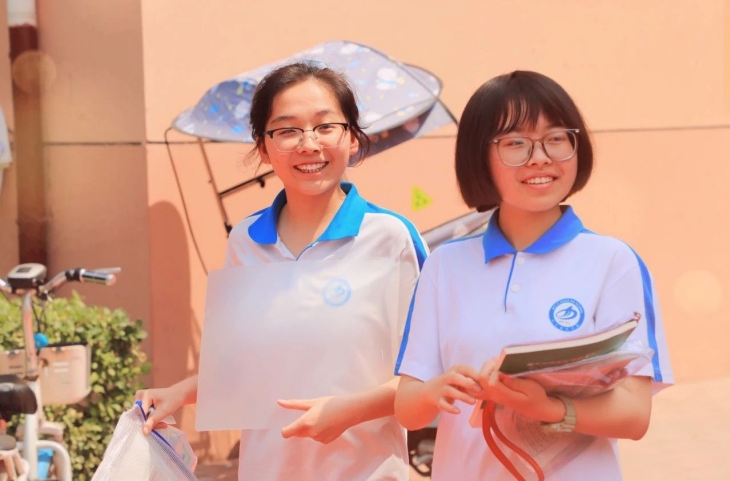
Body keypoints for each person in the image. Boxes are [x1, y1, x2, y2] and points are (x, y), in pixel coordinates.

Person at [135, 62, 427, 480]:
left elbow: (429, 373)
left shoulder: (391, 237)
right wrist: (178, 394)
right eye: (287, 130)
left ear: (352, 137)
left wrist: (349, 411)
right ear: (263, 146)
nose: (309, 144)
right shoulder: (245, 241)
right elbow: (244, 365)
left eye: (326, 127)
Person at [393, 70, 673, 480]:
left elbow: (634, 415)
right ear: (479, 157)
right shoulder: (444, 265)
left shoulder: (613, 262)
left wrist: (548, 409)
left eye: (556, 138)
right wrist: (436, 391)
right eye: (516, 143)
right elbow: (407, 408)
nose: (540, 157)